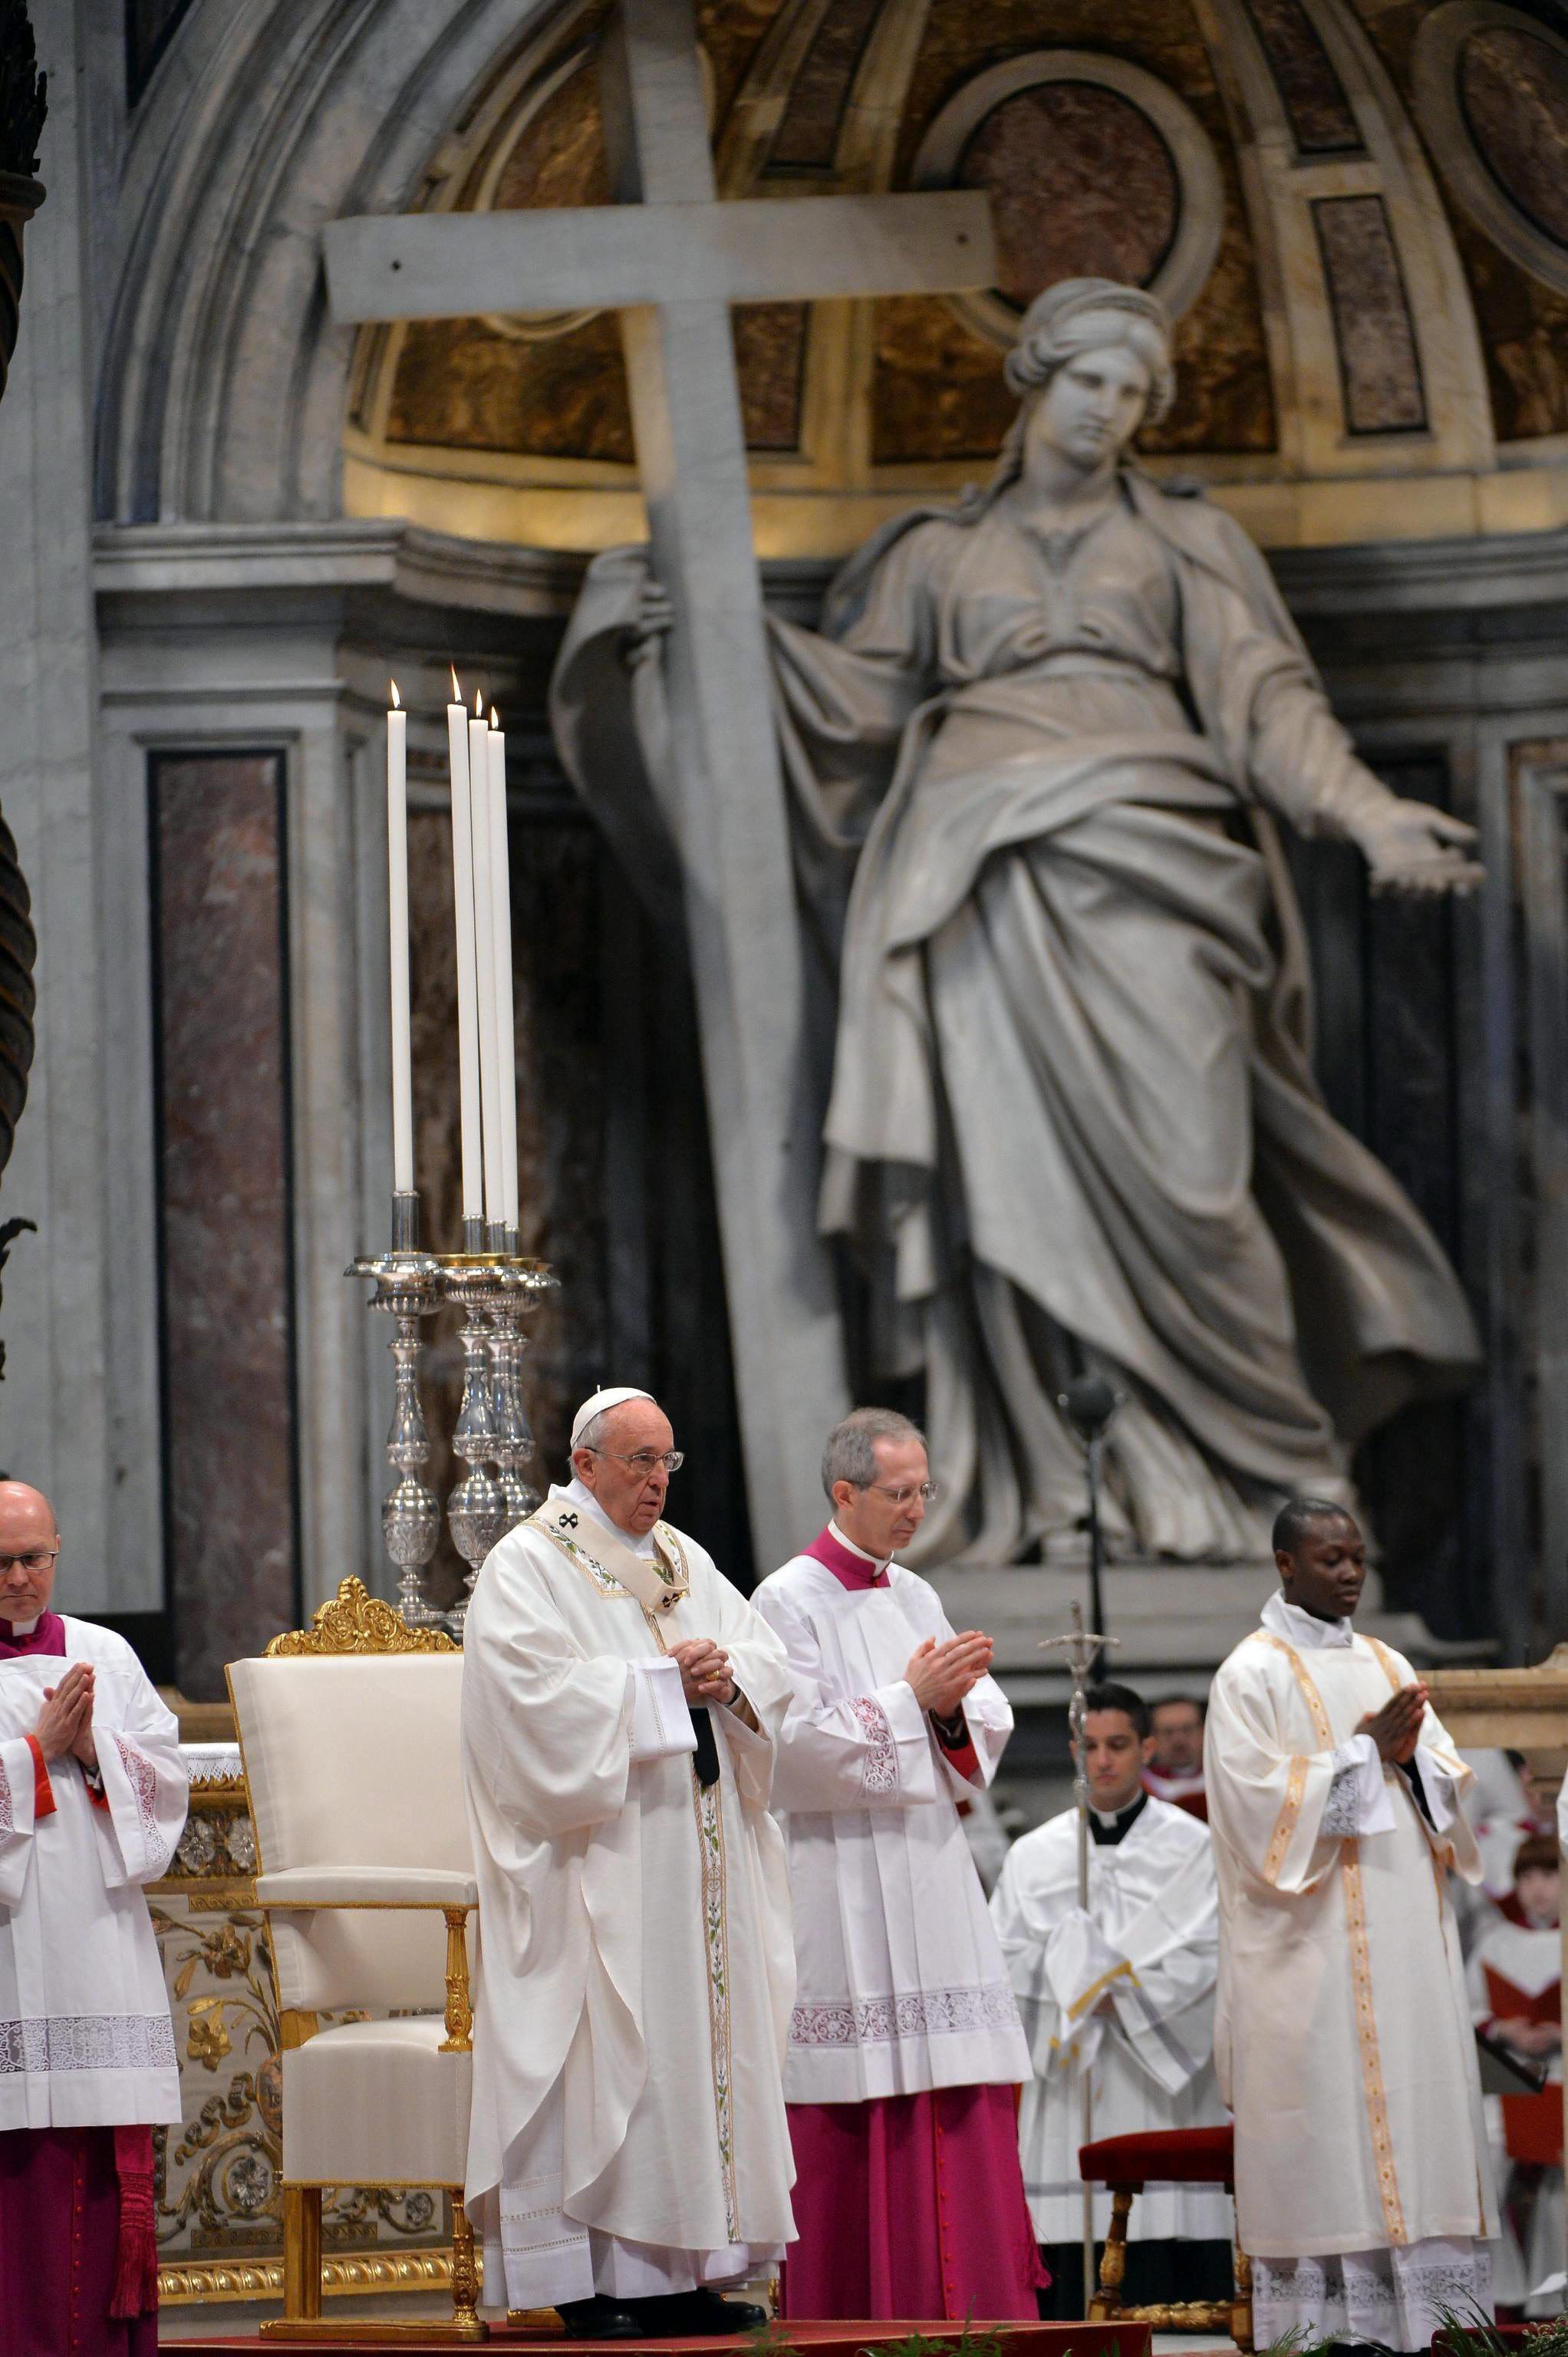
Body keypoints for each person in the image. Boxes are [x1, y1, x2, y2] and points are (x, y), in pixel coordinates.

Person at [555, 275, 1481, 1570]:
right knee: (1006, 1199)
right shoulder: (933, 553)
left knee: (1195, 1185)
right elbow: (846, 706)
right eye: (1087, 380)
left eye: (1132, 392)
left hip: (1154, 875)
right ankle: (1061, 1488)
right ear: (1034, 381)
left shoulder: (1181, 543)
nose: (1107, 411)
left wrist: (1369, 815)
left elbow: (1266, 703)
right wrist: (701, 641)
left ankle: (1263, 1463)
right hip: (972, 888)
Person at [460, 1387, 799, 2339]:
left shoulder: (682, 1557)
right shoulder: (527, 1566)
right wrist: (661, 1685)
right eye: (640, 1461)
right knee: (617, 2049)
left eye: (667, 1462)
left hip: (692, 1859)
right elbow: (528, 1709)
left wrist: (731, 1679)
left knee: (692, 2052)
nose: (657, 1481)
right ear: (585, 1463)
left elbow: (763, 1655)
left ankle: (684, 2269)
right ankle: (593, 2277)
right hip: (597, 1868)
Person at [751, 1407, 1043, 2321]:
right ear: (845, 1493)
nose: (917, 1510)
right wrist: (907, 1700)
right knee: (855, 2101)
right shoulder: (784, 1600)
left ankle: (977, 2315)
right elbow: (785, 1751)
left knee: (954, 2088)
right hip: (840, 1885)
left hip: (928, 1872)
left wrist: (950, 1711)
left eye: (925, 1491)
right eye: (900, 1493)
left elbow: (981, 1723)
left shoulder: (916, 1595)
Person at [1206, 1496, 1494, 2352]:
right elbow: (1254, 1814)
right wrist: (1360, 1755)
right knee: (1325, 2140)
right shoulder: (1248, 1675)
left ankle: (1431, 2327)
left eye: (1357, 1558)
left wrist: (1405, 1762)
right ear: (1285, 1564)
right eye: (1329, 1558)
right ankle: (1331, 2334)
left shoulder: (1385, 1660)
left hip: (1401, 1935)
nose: (1348, 1573)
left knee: (1414, 2117)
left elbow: (1447, 1783)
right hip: (1307, 1950)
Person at [0, 1478, 188, 2356]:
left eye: (34, 1560)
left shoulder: (105, 1657)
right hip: (13, 1954)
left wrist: (95, 1752)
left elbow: (168, 1794)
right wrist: (33, 1754)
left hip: (100, 1947)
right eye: (1, 1564)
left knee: (101, 2183)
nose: (19, 1581)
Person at [992, 1681, 1230, 2317]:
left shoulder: (1195, 1848)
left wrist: (1118, 1996)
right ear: (1074, 1748)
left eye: (1119, 1745)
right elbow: (1001, 1959)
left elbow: (1212, 1955)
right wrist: (1070, 1986)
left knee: (1167, 2259)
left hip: (1159, 2084)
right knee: (1073, 2278)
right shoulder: (1033, 1855)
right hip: (1070, 2073)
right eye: (1091, 1746)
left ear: (1147, 1747)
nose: (1103, 1761)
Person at [1469, 1832, 1562, 2318]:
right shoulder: (1495, 1941)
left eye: (1549, 1875)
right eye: (1527, 1877)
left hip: (1562, 2078)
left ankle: (1552, 2300)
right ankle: (1502, 2297)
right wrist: (1505, 2026)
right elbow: (1466, 2010)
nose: (1538, 1889)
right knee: (1481, 2165)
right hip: (1509, 2078)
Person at [1144, 1694, 1207, 1819]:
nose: (1178, 1740)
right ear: (1152, 1738)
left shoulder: (1223, 1782)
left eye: (1187, 1729)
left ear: (1203, 1732)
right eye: (1168, 1732)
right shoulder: (1139, 1788)